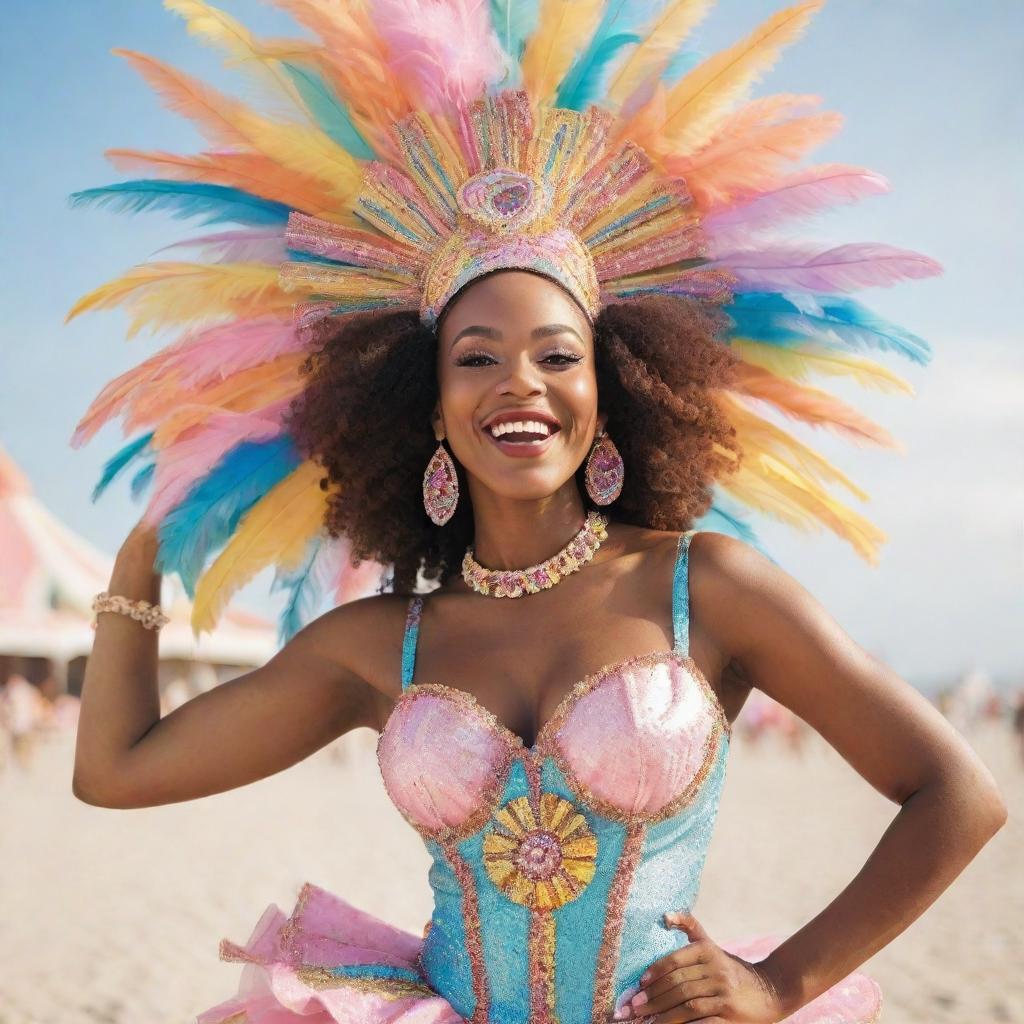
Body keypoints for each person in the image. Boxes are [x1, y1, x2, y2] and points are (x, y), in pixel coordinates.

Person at [67, 2, 1007, 1023]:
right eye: (477, 358)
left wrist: (781, 981)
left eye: (559, 355)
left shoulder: (709, 587)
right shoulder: (379, 645)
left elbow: (959, 795)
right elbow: (117, 772)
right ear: (425, 405)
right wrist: (138, 565)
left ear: (611, 389)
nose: (521, 383)